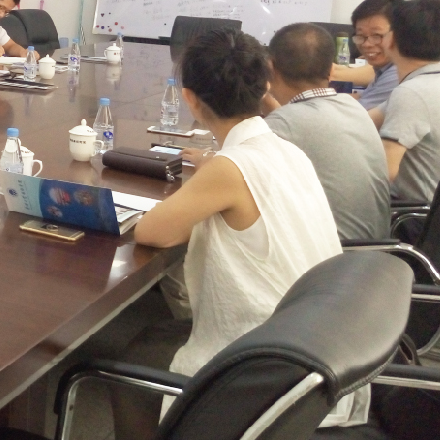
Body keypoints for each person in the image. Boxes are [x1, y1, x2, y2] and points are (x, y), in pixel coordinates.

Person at [121, 28, 354, 437]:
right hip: (318, 345)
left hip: (267, 364)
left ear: (190, 98)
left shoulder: (231, 169)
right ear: (265, 86)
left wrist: (211, 173)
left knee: (136, 358)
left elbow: (151, 231)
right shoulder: (286, 150)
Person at [261, 23, 390, 240]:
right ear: (331, 70)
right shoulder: (352, 107)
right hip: (375, 251)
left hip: (334, 253)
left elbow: (235, 177)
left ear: (270, 68)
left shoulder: (284, 124)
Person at [373, 0, 440, 203]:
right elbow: (365, 120)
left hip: (416, 215)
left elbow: (384, 171)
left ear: (390, 40)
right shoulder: (433, 81)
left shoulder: (412, 93)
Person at [334, 0, 440, 118]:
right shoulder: (416, 74)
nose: (367, 44)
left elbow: (361, 122)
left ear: (399, 33)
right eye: (360, 36)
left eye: (377, 35)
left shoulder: (410, 83)